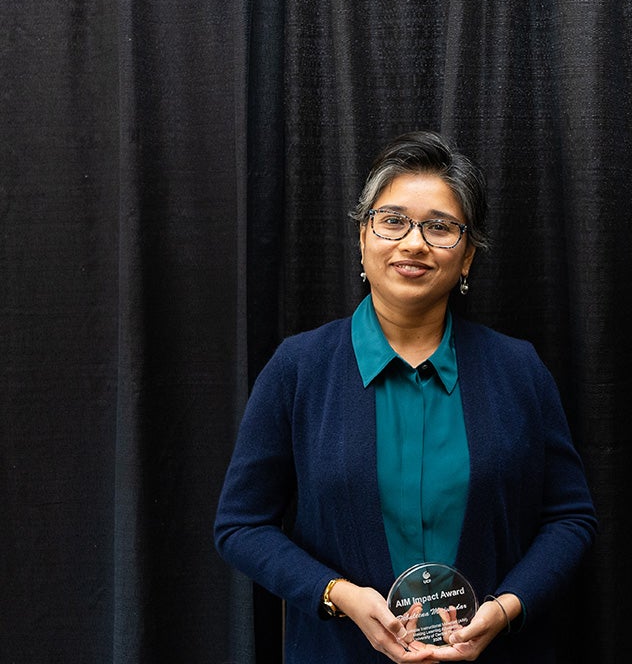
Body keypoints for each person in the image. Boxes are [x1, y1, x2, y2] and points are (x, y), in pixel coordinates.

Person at [215, 131, 596, 663]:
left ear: (466, 259)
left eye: (439, 227)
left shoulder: (519, 370)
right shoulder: (298, 369)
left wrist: (509, 607)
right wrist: (337, 595)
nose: (413, 243)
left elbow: (570, 517)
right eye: (392, 220)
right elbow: (241, 525)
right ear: (363, 239)